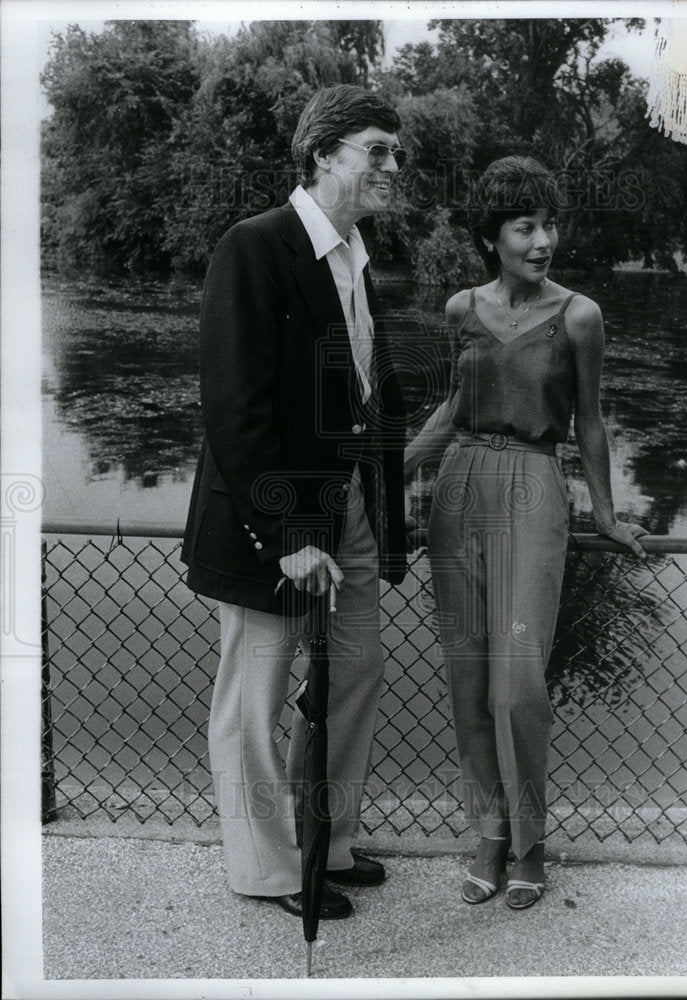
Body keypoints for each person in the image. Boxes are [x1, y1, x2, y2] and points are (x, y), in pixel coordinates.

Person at [181, 85, 408, 919]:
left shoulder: (354, 253)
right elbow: (234, 405)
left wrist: (381, 517)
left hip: (344, 510)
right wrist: (282, 534)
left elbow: (362, 397)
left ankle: (328, 843)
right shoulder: (257, 246)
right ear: (323, 154)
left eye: (396, 152)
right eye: (377, 150)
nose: (393, 165)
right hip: (270, 524)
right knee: (255, 698)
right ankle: (269, 868)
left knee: (354, 672)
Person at [404, 156, 647, 910]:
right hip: (460, 487)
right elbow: (453, 408)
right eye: (524, 226)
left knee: (518, 682)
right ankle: (488, 833)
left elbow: (590, 420)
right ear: (492, 237)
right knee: (468, 674)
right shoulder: (459, 310)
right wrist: (383, 474)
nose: (542, 240)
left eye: (549, 224)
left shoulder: (579, 315)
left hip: (536, 489)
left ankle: (531, 843)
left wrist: (603, 515)